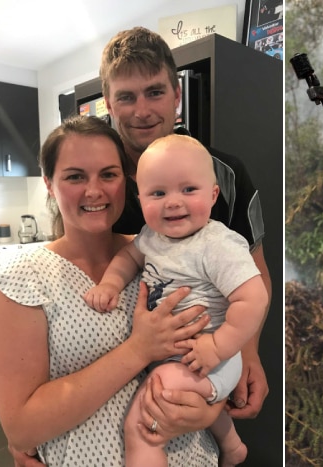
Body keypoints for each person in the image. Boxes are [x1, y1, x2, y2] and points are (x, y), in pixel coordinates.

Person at [0, 115, 225, 465]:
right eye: (75, 176)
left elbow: (212, 345)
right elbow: (21, 428)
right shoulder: (23, 280)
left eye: (108, 174)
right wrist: (138, 351)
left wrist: (209, 412)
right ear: (49, 183)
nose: (94, 191)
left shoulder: (162, 254)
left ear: (126, 182)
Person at [101, 26, 272, 420]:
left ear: (177, 94)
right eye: (127, 97)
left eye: (155, 92)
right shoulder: (96, 181)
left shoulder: (224, 173)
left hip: (198, 363)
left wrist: (246, 353)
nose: (142, 110)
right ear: (109, 104)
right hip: (110, 369)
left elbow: (254, 272)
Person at [84, 134, 268, 467]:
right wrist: (111, 283)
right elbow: (129, 257)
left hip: (212, 358)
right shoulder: (151, 237)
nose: (173, 201)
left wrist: (217, 347)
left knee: (142, 419)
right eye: (158, 193)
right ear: (140, 201)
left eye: (188, 190)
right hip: (174, 354)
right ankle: (232, 445)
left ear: (213, 195)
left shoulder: (217, 244)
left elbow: (254, 297)